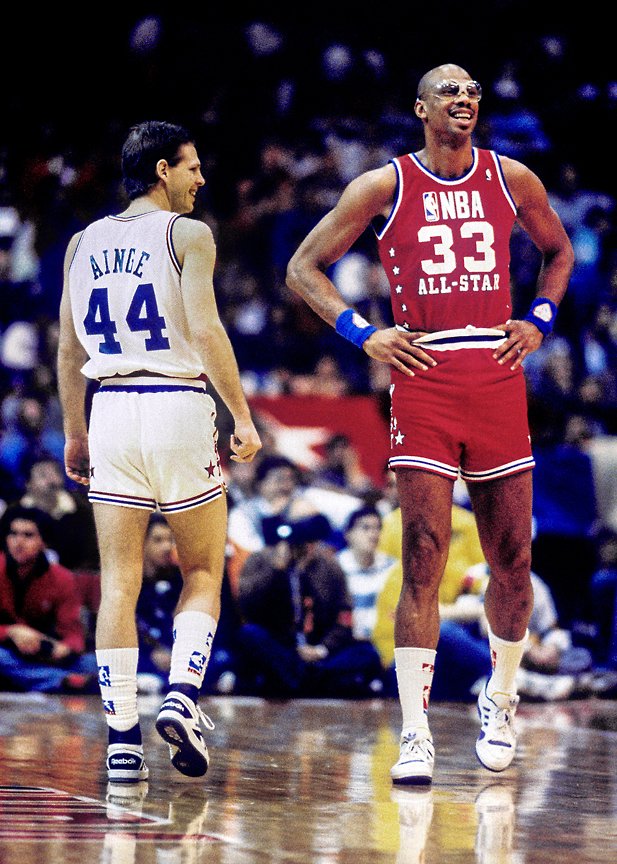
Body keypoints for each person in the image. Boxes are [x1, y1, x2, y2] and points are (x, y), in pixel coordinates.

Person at [286, 63, 574, 784]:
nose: (464, 99)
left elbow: (559, 252)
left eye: (473, 91)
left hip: (497, 372)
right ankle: (414, 733)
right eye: (449, 91)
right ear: (420, 109)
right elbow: (303, 267)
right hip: (423, 374)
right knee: (422, 553)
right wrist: (363, 334)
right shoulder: (383, 185)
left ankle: (500, 698)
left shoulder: (511, 177)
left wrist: (539, 318)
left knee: (512, 557)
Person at [56, 120, 261, 784]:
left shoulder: (82, 243)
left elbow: (69, 349)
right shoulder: (187, 234)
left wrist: (75, 432)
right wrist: (242, 415)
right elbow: (205, 327)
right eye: (191, 166)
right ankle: (180, 696)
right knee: (202, 569)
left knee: (119, 582)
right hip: (175, 400)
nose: (201, 178)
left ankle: (122, 742)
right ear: (161, 171)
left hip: (110, 407)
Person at [236, 514, 384, 697]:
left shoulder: (328, 564)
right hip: (283, 648)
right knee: (250, 634)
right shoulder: (261, 560)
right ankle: (311, 681)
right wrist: (277, 570)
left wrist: (322, 649)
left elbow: (344, 617)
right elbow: (248, 608)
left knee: (367, 653)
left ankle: (303, 680)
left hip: (320, 651)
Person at [0, 504, 97, 693]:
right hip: (7, 651)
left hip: (43, 654)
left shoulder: (62, 578)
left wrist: (63, 648)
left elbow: (73, 634)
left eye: (28, 535)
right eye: (13, 534)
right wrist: (10, 632)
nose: (18, 542)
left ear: (44, 542)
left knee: (92, 663)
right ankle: (60, 681)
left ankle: (46, 679)